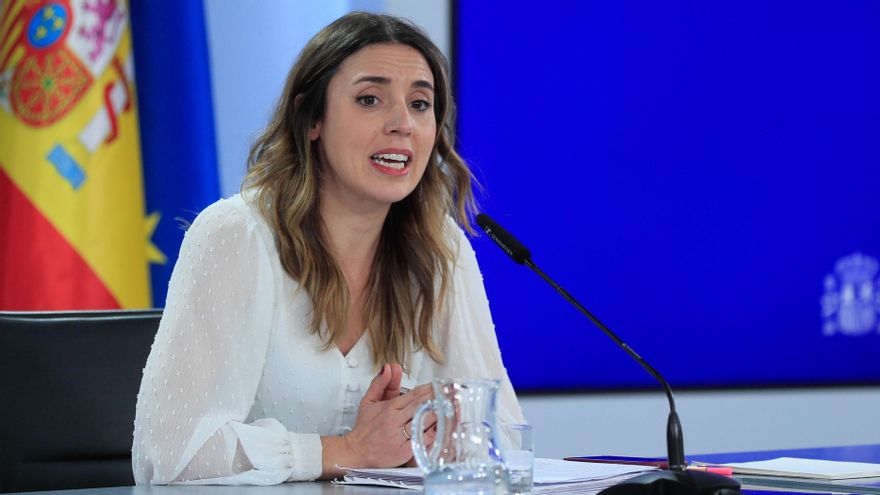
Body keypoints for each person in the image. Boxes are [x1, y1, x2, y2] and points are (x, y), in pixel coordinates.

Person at [132, 11, 525, 485]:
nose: (402, 123)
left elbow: (499, 434)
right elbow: (167, 453)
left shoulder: (441, 248)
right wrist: (346, 450)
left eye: (421, 104)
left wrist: (428, 436)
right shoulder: (236, 235)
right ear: (311, 117)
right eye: (370, 99)